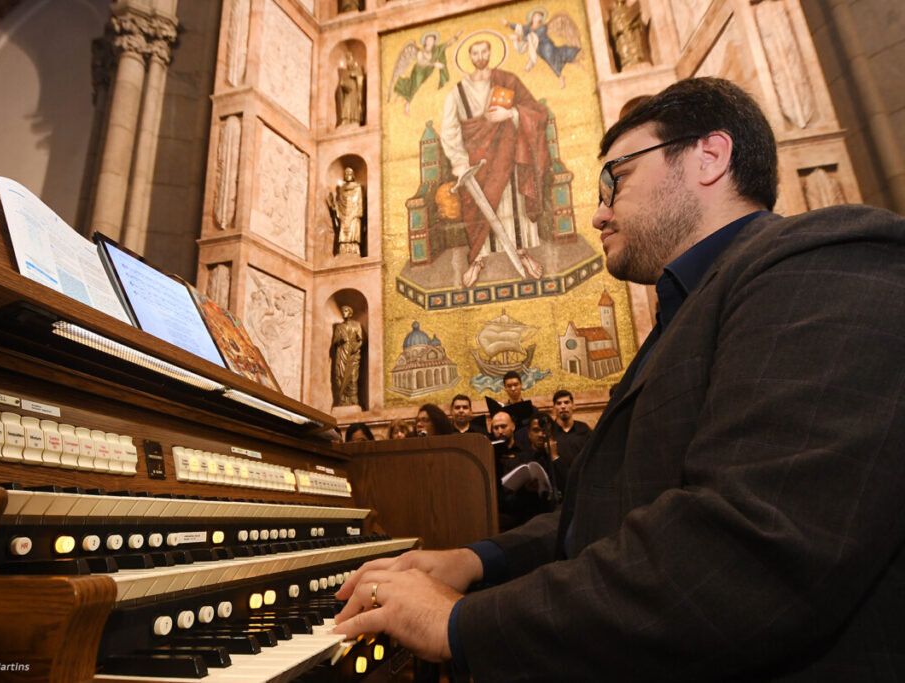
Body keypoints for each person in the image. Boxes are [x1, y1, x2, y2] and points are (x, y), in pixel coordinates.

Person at [333, 77, 905, 679]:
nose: (599, 212)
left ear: (709, 156)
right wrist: (477, 561)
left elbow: (745, 557)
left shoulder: (824, 260)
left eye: (618, 178)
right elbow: (601, 516)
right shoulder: (686, 312)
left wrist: (459, 623)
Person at [441, 36, 551, 287]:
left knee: (512, 202)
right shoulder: (457, 92)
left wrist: (511, 113)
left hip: (507, 155)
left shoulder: (508, 81)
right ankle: (478, 258)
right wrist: (458, 160)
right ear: (469, 57)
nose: (480, 56)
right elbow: (449, 129)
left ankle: (521, 252)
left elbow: (537, 112)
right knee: (477, 208)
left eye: (484, 51)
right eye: (475, 53)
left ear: (491, 52)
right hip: (473, 163)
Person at [548, 388, 591, 489]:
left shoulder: (583, 428)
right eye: (559, 403)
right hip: (558, 488)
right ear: (553, 409)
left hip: (581, 484)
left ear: (573, 406)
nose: (563, 406)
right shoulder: (549, 432)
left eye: (566, 402)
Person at [327, 167, 364, 255]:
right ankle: (343, 248)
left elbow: (359, 202)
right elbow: (340, 203)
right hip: (344, 214)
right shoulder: (341, 189)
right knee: (343, 228)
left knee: (353, 227)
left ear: (353, 176)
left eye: (350, 174)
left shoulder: (357, 188)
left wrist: (356, 213)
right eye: (346, 174)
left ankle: (353, 248)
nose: (348, 175)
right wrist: (334, 206)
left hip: (354, 213)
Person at [332, 305, 363, 406]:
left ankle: (353, 400)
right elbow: (335, 341)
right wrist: (341, 339)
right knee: (339, 377)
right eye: (342, 311)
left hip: (353, 355)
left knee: (353, 377)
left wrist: (356, 347)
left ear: (350, 313)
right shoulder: (339, 327)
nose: (344, 313)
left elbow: (360, 340)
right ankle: (342, 400)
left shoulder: (356, 325)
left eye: (346, 311)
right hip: (341, 353)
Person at [609, 0, 651, 71]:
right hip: (623, 37)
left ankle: (637, 58)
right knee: (625, 51)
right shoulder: (614, 13)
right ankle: (628, 61)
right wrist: (624, 25)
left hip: (632, 34)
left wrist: (635, 22)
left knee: (636, 49)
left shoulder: (629, 9)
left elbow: (638, 25)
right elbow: (615, 28)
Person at [336, 52, 364, 127]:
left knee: (353, 104)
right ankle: (346, 119)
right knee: (346, 104)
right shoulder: (345, 72)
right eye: (347, 61)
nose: (348, 63)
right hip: (347, 92)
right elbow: (342, 81)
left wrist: (353, 74)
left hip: (354, 91)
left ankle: (354, 119)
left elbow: (360, 77)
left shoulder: (357, 69)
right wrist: (342, 85)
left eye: (350, 60)